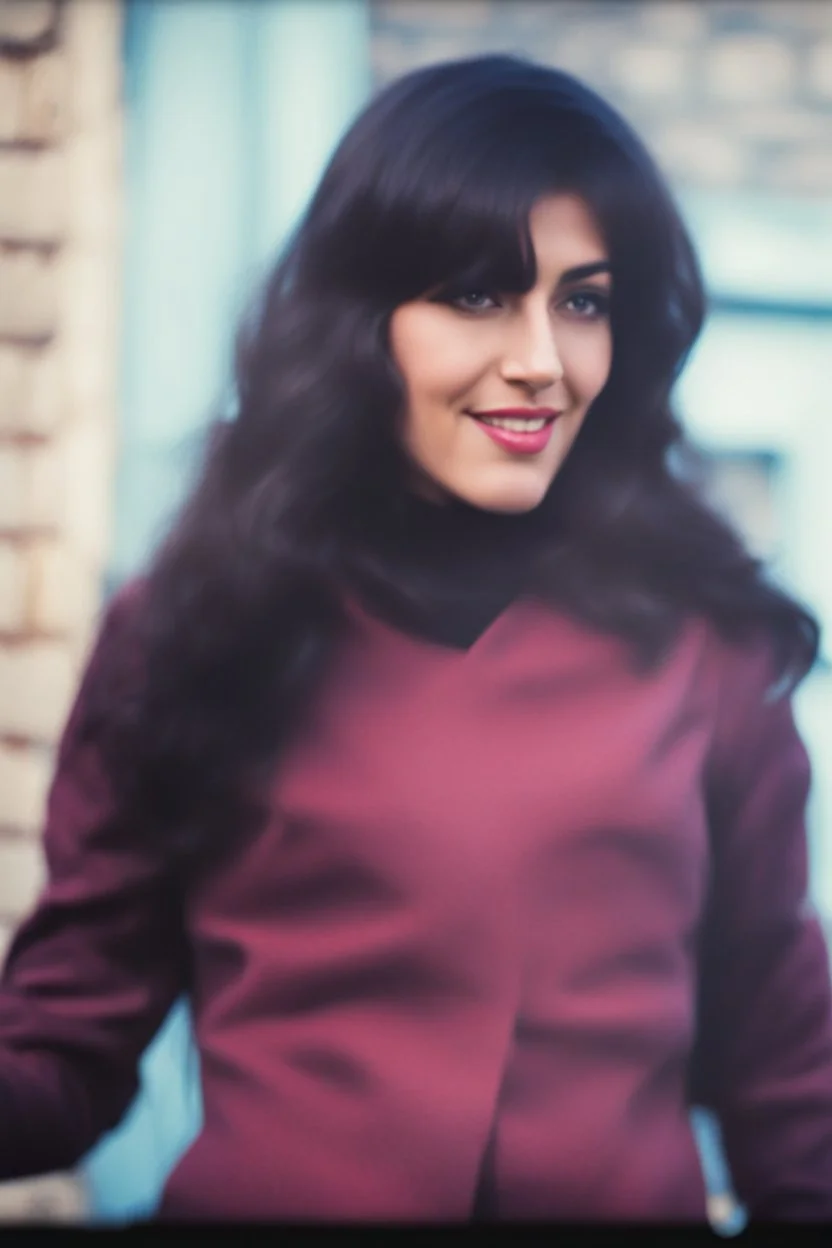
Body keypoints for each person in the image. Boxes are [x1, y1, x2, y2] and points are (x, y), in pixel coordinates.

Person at [0, 53, 830, 1223]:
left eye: (582, 301)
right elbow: (63, 1049)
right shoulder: (189, 630)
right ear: (362, 323)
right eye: (479, 295)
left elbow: (789, 1089)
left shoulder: (712, 649)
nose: (541, 360)